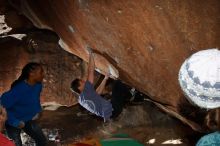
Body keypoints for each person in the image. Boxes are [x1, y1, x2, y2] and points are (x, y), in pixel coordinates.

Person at [0, 62, 47, 146]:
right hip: (13, 123)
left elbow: (35, 98)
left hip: (28, 120)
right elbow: (2, 106)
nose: (44, 74)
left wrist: (38, 110)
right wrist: (15, 122)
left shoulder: (38, 85)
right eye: (41, 72)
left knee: (42, 141)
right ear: (31, 73)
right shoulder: (18, 90)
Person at [71, 48, 113, 121]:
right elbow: (90, 71)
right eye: (81, 81)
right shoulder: (86, 91)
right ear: (79, 87)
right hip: (111, 110)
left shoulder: (81, 100)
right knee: (120, 86)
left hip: (106, 116)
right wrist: (91, 54)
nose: (83, 81)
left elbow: (97, 93)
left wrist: (105, 78)